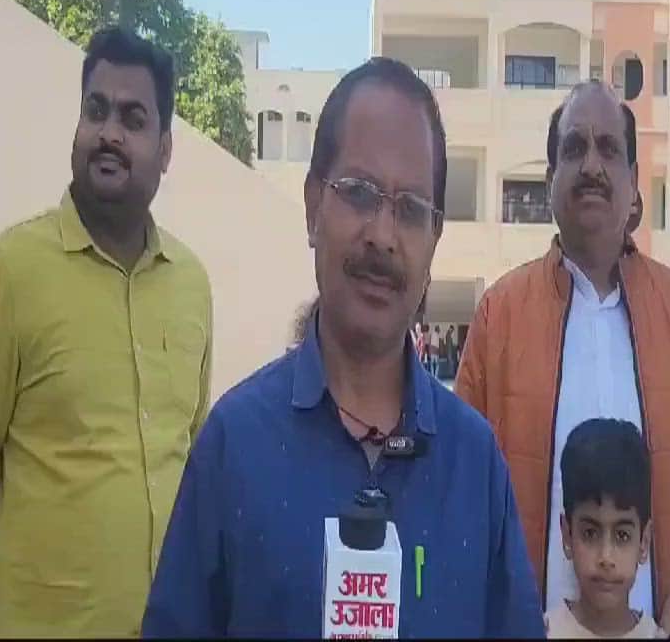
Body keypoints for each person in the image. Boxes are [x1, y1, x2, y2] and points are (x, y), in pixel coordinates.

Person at [141, 57, 544, 638]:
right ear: (312, 207)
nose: (382, 234)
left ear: (434, 239)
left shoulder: (475, 464)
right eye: (359, 193)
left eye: (410, 209)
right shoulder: (234, 445)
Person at [0, 27, 213, 638]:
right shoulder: (8, 273)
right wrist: (11, 578)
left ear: (165, 149)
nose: (109, 132)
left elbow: (191, 453)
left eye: (133, 117)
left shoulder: (191, 284)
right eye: (96, 111)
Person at [454, 80, 670, 639]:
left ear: (634, 186)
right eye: (574, 148)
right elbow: (462, 489)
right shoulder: (500, 317)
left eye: (609, 149)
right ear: (550, 183)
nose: (591, 164)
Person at [546, 418, 663, 639]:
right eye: (590, 533)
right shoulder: (542, 631)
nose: (606, 557)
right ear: (567, 535)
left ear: (644, 542)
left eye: (622, 535)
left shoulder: (656, 636)